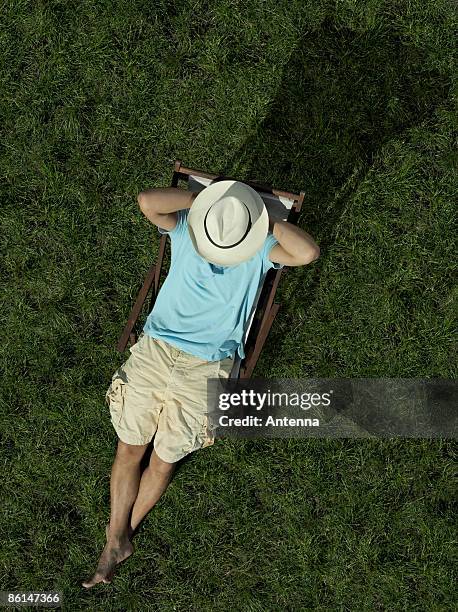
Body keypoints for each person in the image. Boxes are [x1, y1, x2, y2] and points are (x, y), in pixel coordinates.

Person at [82, 180, 320, 588]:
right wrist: (202, 206)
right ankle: (116, 537)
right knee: (130, 447)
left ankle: (118, 540)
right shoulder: (190, 228)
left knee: (164, 456)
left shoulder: (261, 250)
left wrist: (262, 226)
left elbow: (308, 252)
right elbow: (145, 201)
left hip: (206, 366)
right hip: (157, 351)